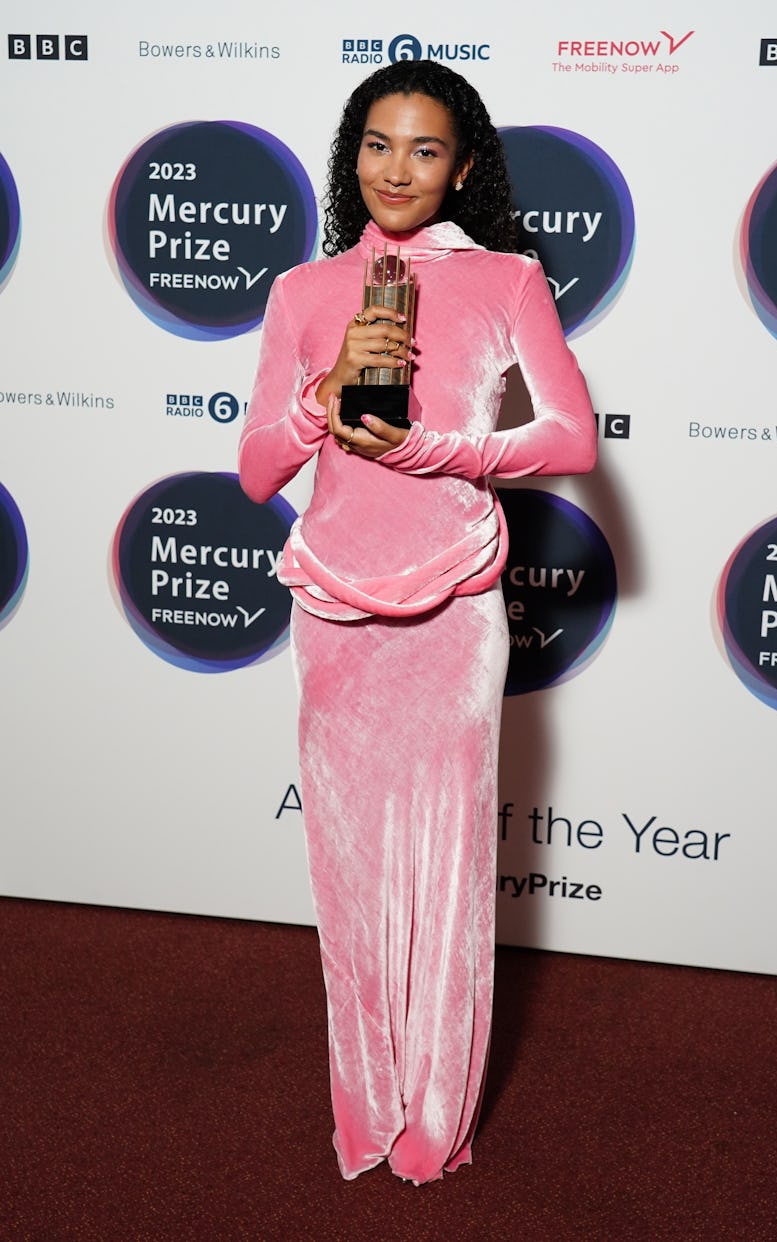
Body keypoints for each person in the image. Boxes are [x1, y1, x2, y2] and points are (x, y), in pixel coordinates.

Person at [238, 60, 597, 1184]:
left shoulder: (505, 281)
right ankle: (365, 1110)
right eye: (379, 145)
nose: (399, 170)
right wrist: (322, 393)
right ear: (353, 155)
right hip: (334, 609)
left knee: (445, 878)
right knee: (345, 875)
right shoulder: (302, 292)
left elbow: (574, 442)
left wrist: (448, 451)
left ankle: (437, 1122)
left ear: (464, 163)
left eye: (426, 149)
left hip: (453, 612)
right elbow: (256, 472)